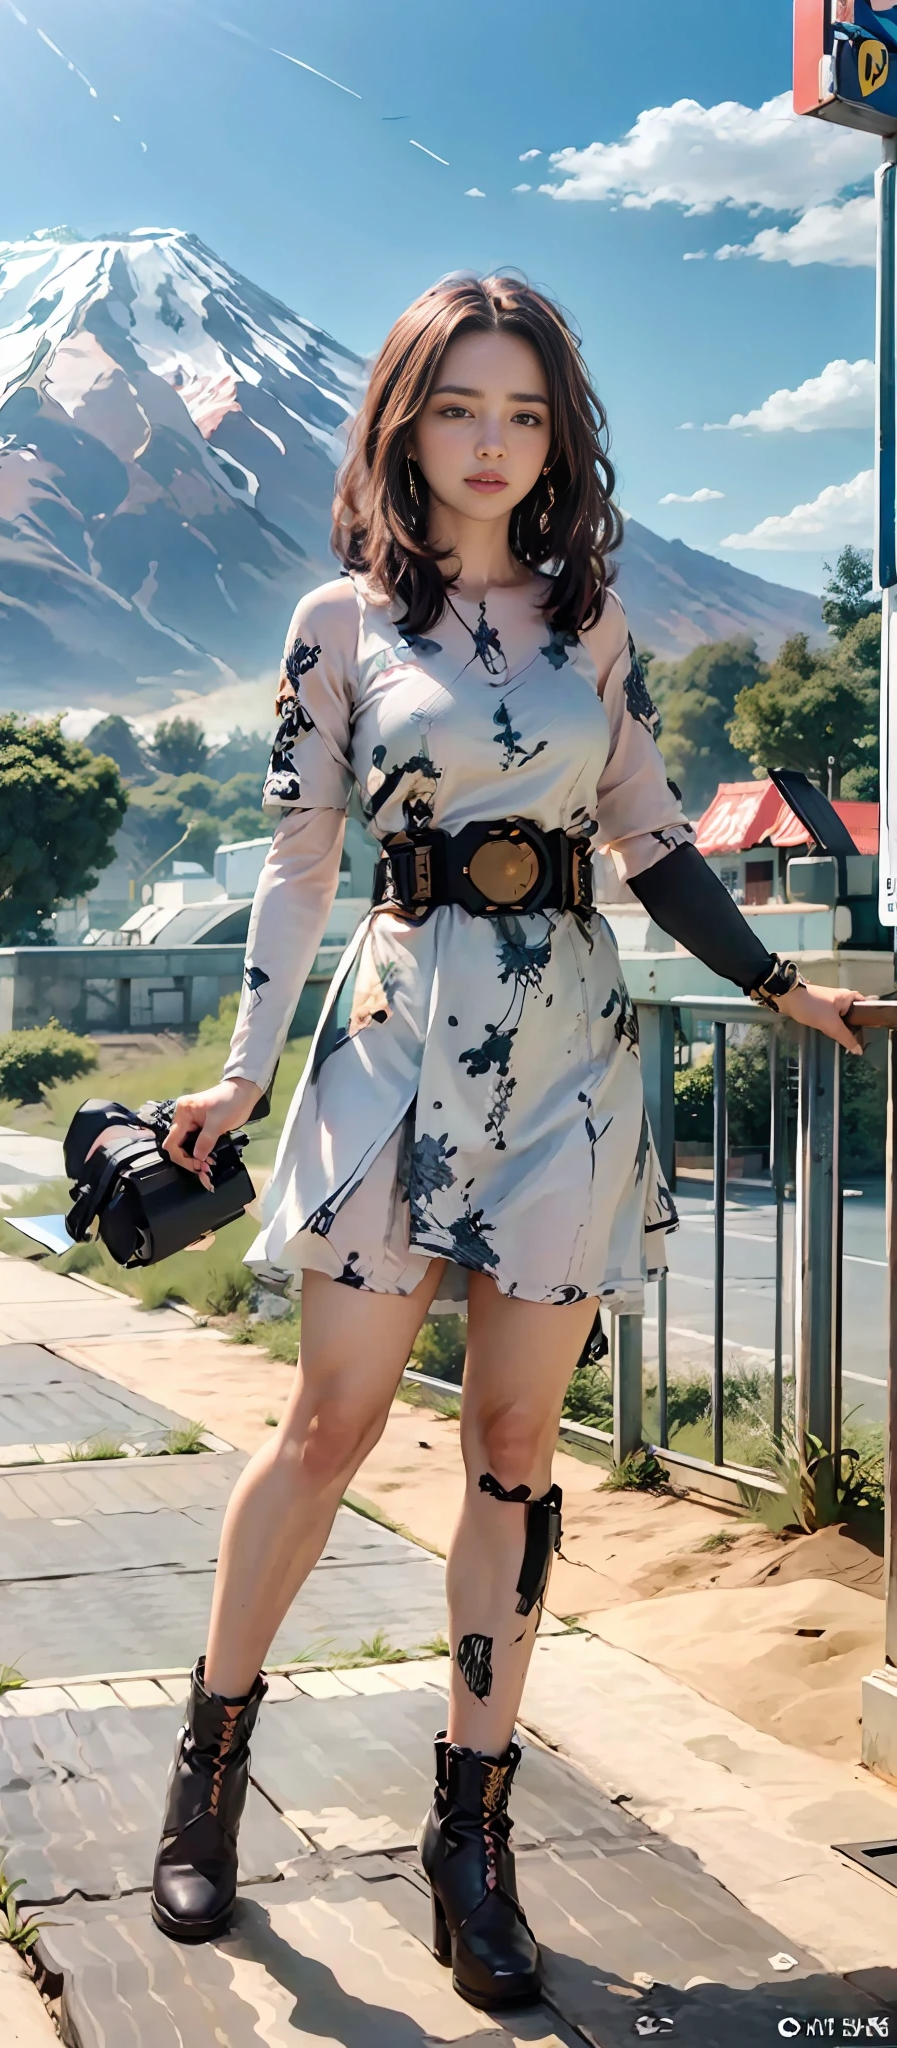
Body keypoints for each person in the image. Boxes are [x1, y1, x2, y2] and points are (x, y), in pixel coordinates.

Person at [150, 271, 863, 2008]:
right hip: (396, 1043)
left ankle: (472, 1838)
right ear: (405, 420)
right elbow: (297, 859)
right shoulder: (336, 625)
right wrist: (243, 1076)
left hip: (572, 1056)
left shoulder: (592, 618)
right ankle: (210, 1766)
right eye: (462, 407)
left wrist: (779, 980)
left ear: (559, 436)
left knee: (515, 1449)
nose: (493, 442)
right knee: (326, 1423)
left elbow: (652, 834)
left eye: (526, 412)